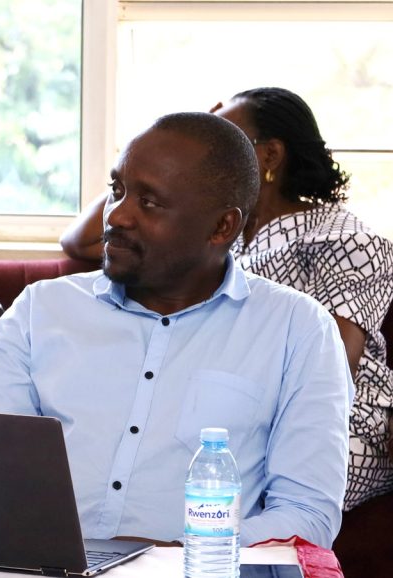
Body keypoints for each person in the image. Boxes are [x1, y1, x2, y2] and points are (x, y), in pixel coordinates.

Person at [0, 112, 352, 548]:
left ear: (222, 226)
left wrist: (175, 555)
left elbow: (308, 514)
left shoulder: (296, 330)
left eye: (149, 202)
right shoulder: (42, 311)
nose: (117, 216)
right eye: (118, 190)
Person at [60, 87, 393, 510]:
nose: (214, 144)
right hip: (209, 401)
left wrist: (239, 416)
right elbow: (79, 240)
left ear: (270, 156)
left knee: (241, 482)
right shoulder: (206, 234)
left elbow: (335, 366)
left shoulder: (348, 239)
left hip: (339, 419)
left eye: (228, 133)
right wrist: (163, 152)